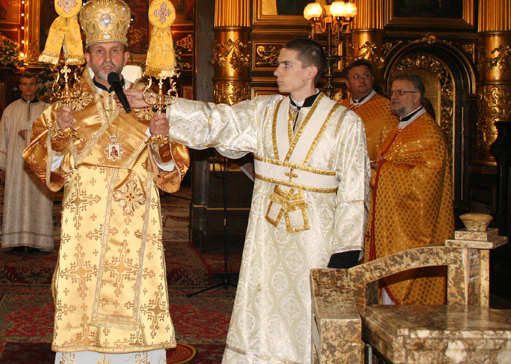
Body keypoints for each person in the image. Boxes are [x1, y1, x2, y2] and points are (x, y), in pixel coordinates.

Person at [130, 38, 369, 364]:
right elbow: (217, 120)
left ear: (310, 70)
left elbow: (355, 191)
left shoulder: (346, 122)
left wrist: (346, 250)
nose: (277, 71)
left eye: (286, 64)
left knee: (306, 306)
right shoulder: (264, 111)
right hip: (267, 235)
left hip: (316, 238)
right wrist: (160, 104)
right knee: (264, 304)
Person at [23, 0, 190, 363]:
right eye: (99, 51)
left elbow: (170, 175)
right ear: (87, 57)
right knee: (82, 295)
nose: (108, 58)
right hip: (85, 224)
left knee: (136, 290)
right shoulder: (66, 106)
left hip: (137, 221)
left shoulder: (149, 105)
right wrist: (59, 135)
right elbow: (46, 166)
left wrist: (161, 140)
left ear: (127, 57)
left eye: (115, 50)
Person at [366, 73, 454, 305]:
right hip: (392, 222)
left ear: (417, 97)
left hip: (413, 228)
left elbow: (426, 182)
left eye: (401, 92)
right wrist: (380, 168)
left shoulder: (427, 131)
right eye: (392, 92)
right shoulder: (403, 127)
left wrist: (383, 170)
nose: (394, 97)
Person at [0, 73, 52, 254]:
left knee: (38, 200)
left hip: (39, 165)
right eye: (25, 84)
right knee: (16, 199)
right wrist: (3, 167)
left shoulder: (47, 110)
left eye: (31, 84)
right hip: (15, 164)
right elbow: (3, 138)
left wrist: (29, 134)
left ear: (37, 86)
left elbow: (53, 137)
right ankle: (16, 241)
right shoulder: (11, 110)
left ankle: (37, 241)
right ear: (20, 86)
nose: (28, 87)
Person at [339, 60, 395, 170]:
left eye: (366, 76)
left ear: (372, 78)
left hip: (371, 171)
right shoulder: (340, 108)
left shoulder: (387, 108)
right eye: (356, 77)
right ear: (347, 83)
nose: (362, 80)